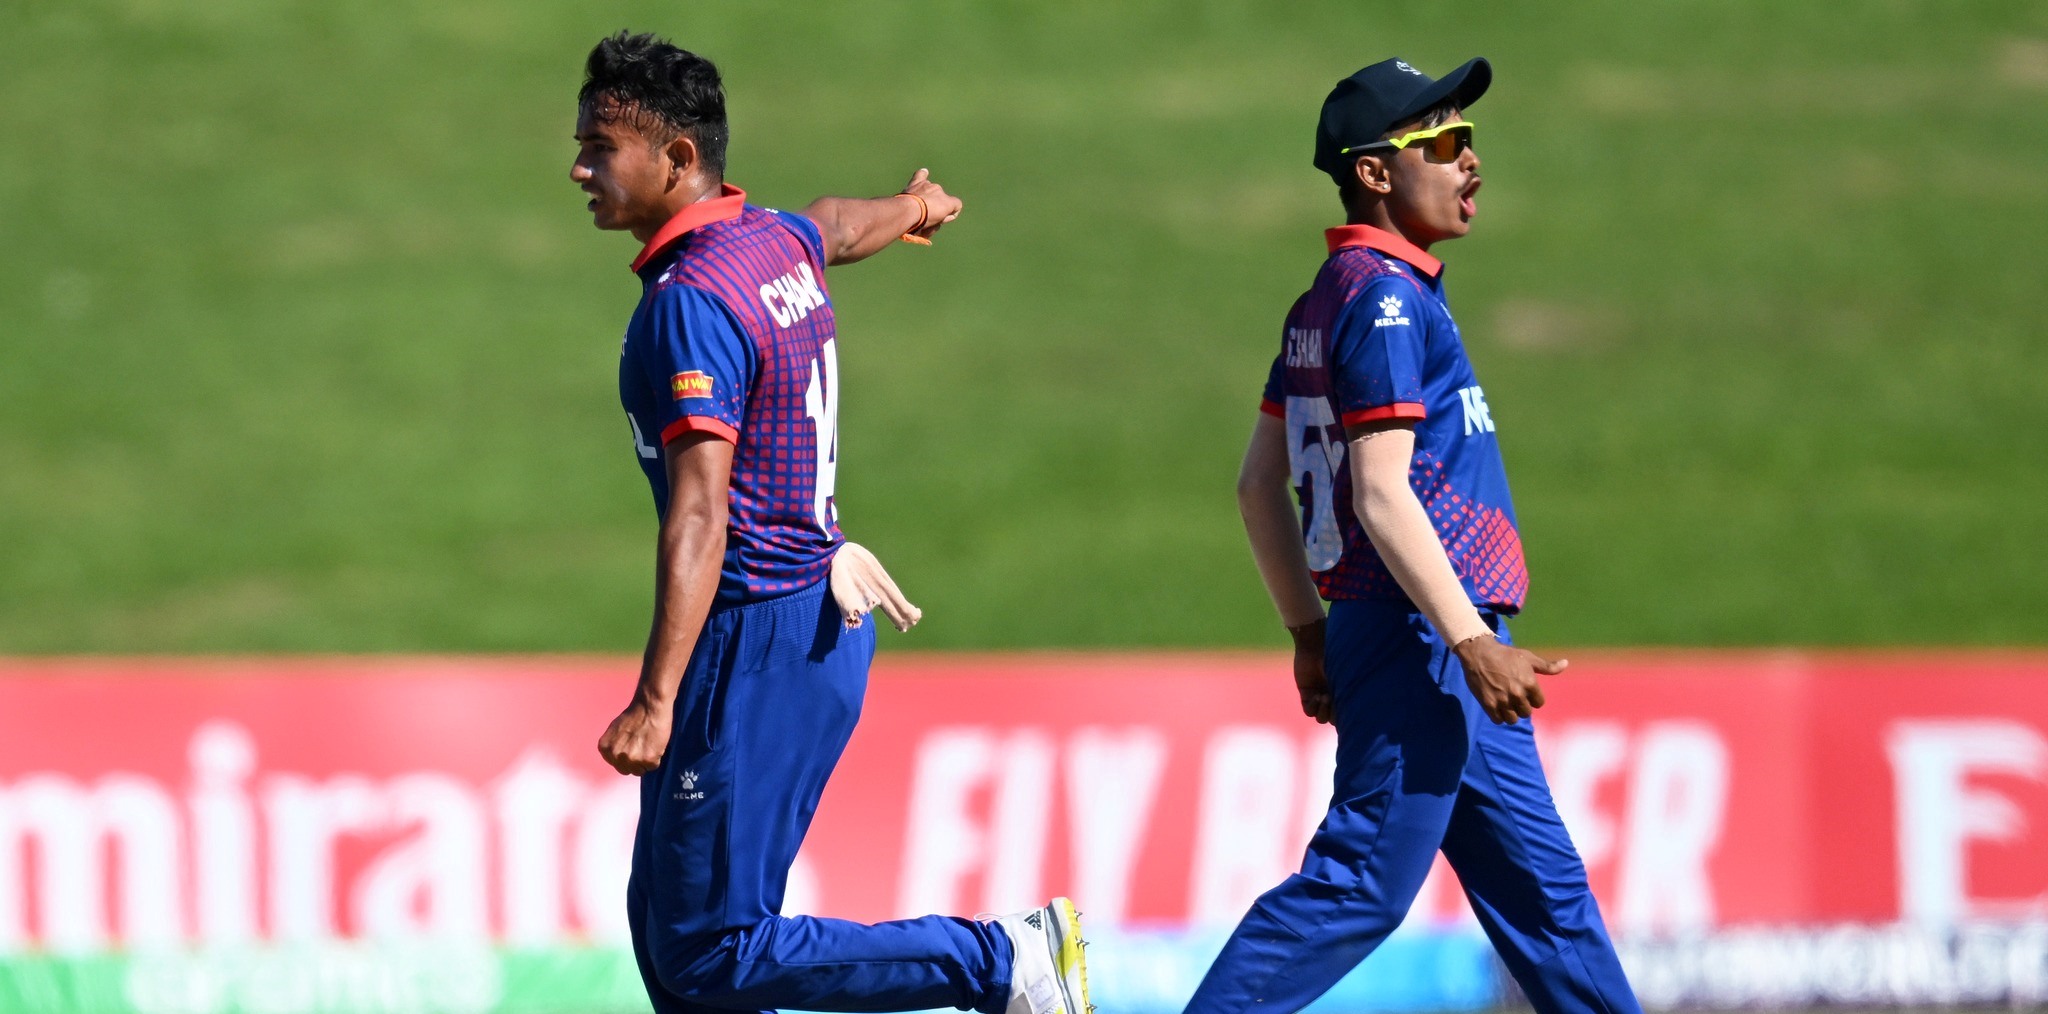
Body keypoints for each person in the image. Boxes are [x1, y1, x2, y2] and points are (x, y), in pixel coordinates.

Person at [568, 31, 1088, 1014]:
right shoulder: (766, 237)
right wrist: (917, 209)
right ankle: (998, 960)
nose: (579, 168)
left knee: (709, 949)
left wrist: (656, 698)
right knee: (670, 937)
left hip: (757, 638)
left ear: (677, 158)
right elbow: (836, 226)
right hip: (811, 622)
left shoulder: (691, 304)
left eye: (601, 147)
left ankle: (1001, 959)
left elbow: (700, 513)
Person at [1193, 57, 1643, 1014]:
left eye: (1468, 139)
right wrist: (1471, 641)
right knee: (1357, 887)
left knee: (1546, 901)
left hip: (1410, 633)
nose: (1469, 159)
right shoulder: (1386, 300)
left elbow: (1256, 485)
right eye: (1442, 143)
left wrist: (1310, 634)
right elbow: (1381, 493)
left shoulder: (1328, 298)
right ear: (1373, 172)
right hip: (1422, 636)